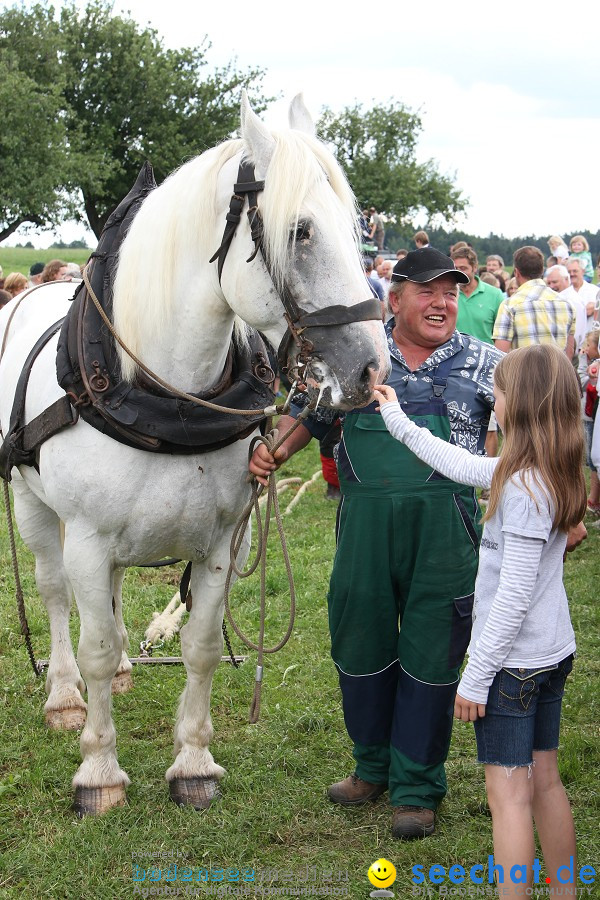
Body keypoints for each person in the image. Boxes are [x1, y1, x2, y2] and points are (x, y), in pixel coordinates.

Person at [249, 247, 503, 840]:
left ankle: (416, 786)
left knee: (431, 655)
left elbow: (535, 426)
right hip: (363, 529)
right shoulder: (353, 358)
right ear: (395, 300)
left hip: (448, 532)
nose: (442, 303)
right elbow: (301, 416)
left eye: (451, 292)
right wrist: (271, 453)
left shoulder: (487, 364)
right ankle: (371, 767)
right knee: (360, 641)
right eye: (427, 291)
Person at [374, 343, 585, 897]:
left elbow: (513, 597)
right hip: (551, 656)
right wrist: (396, 416)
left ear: (520, 405)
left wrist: (475, 678)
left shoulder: (519, 489)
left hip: (512, 671)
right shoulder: (546, 473)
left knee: (508, 799)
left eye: (500, 392)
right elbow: (458, 462)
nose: (493, 400)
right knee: (546, 783)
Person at [493, 247, 575, 359]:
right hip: (558, 374)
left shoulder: (509, 305)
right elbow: (569, 353)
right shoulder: (567, 304)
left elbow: (499, 355)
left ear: (516, 272)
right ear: (542, 270)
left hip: (522, 374)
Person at [577, 330, 600, 514]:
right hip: (591, 415)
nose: (586, 349)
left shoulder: (593, 367)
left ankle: (594, 500)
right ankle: (593, 499)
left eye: (589, 345)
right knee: (593, 459)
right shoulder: (594, 364)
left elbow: (583, 381)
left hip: (591, 416)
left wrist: (583, 362)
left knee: (595, 458)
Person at [545, 264, 588, 353]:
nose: (551, 286)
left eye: (555, 282)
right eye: (549, 283)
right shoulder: (558, 298)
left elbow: (577, 334)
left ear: (566, 279)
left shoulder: (573, 300)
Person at [565, 257, 599, 330]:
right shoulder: (563, 294)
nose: (572, 274)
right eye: (569, 272)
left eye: (575, 271)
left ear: (583, 271)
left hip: (590, 337)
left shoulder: (595, 291)